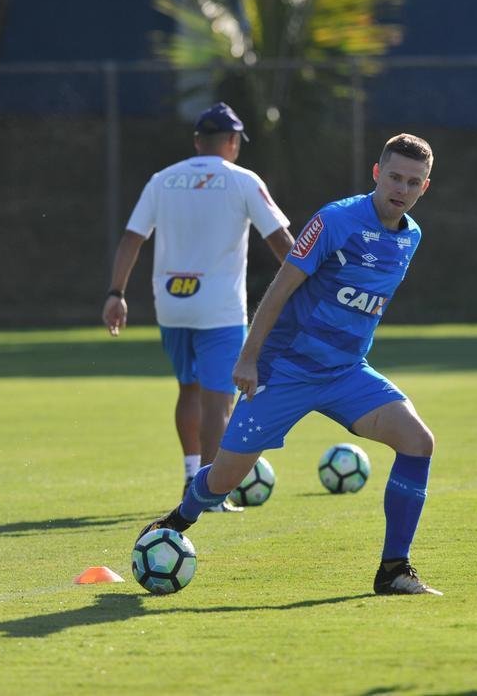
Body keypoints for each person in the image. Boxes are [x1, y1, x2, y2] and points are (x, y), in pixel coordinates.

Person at [139, 133, 442, 596]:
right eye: (395, 177)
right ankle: (178, 519)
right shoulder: (335, 220)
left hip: (346, 373)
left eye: (413, 181)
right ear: (377, 174)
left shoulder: (411, 237)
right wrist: (249, 357)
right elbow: (281, 286)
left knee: (418, 442)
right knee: (221, 481)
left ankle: (393, 569)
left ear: (425, 186)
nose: (401, 188)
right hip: (286, 372)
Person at [103, 102, 294, 512]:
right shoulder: (243, 181)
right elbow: (279, 239)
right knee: (218, 401)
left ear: (195, 142)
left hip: (171, 304)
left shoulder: (162, 180)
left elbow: (132, 239)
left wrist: (115, 293)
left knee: (187, 389)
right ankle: (207, 492)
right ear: (231, 142)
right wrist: (307, 285)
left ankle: (193, 473)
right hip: (219, 309)